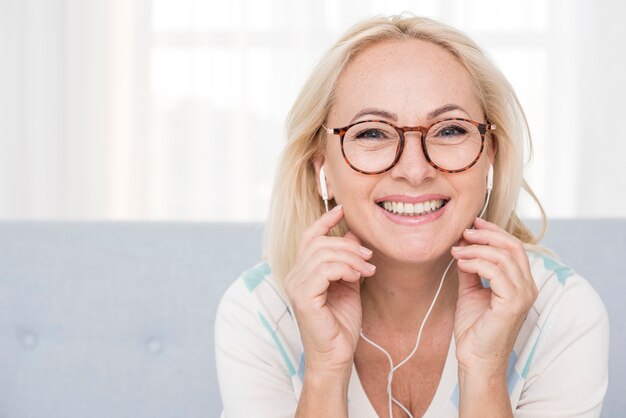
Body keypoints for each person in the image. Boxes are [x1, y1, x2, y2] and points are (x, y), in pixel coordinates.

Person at [215, 14, 609, 418]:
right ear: (324, 169)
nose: (415, 170)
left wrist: (485, 373)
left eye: (450, 130)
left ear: (490, 154)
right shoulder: (259, 312)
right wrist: (325, 370)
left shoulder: (563, 313)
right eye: (371, 132)